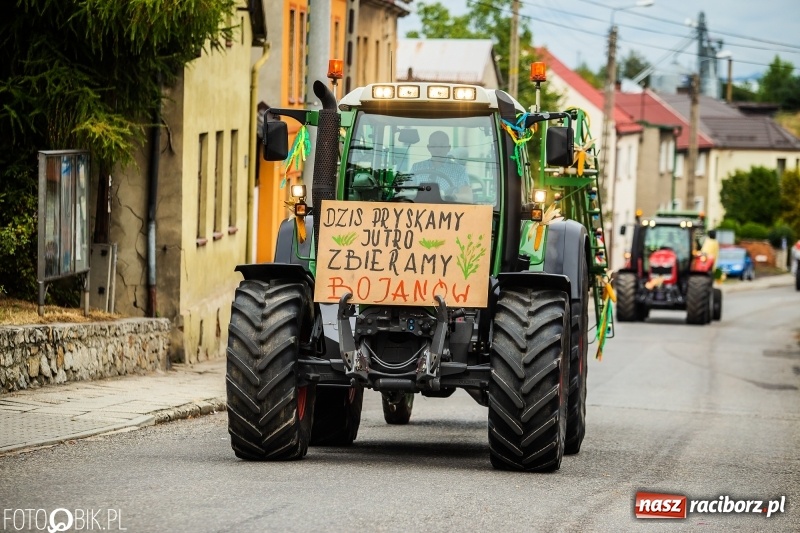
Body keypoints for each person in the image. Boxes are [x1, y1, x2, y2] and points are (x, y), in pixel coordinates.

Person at [409, 131, 472, 202]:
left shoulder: (460, 170)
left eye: (442, 146)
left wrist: (448, 197)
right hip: (419, 210)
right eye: (434, 145)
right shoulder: (416, 167)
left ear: (448, 148)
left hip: (448, 210)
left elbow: (467, 197)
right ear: (429, 148)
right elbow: (408, 193)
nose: (438, 149)